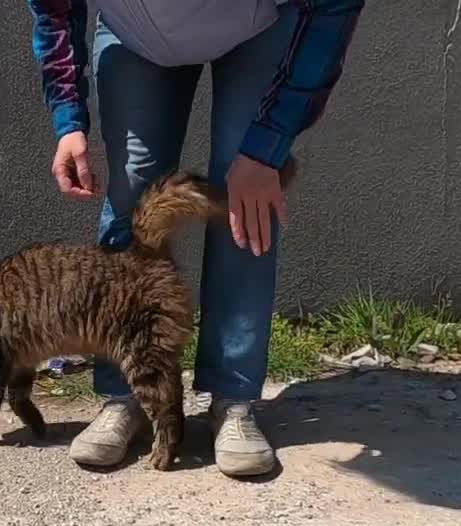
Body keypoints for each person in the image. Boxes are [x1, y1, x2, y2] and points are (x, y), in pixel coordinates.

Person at [25, 0, 364, 477]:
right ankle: (126, 395)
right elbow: (54, 10)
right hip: (137, 36)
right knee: (132, 191)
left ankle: (234, 398)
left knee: (243, 199)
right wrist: (68, 119)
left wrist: (267, 147)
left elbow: (334, 7)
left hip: (258, 24)